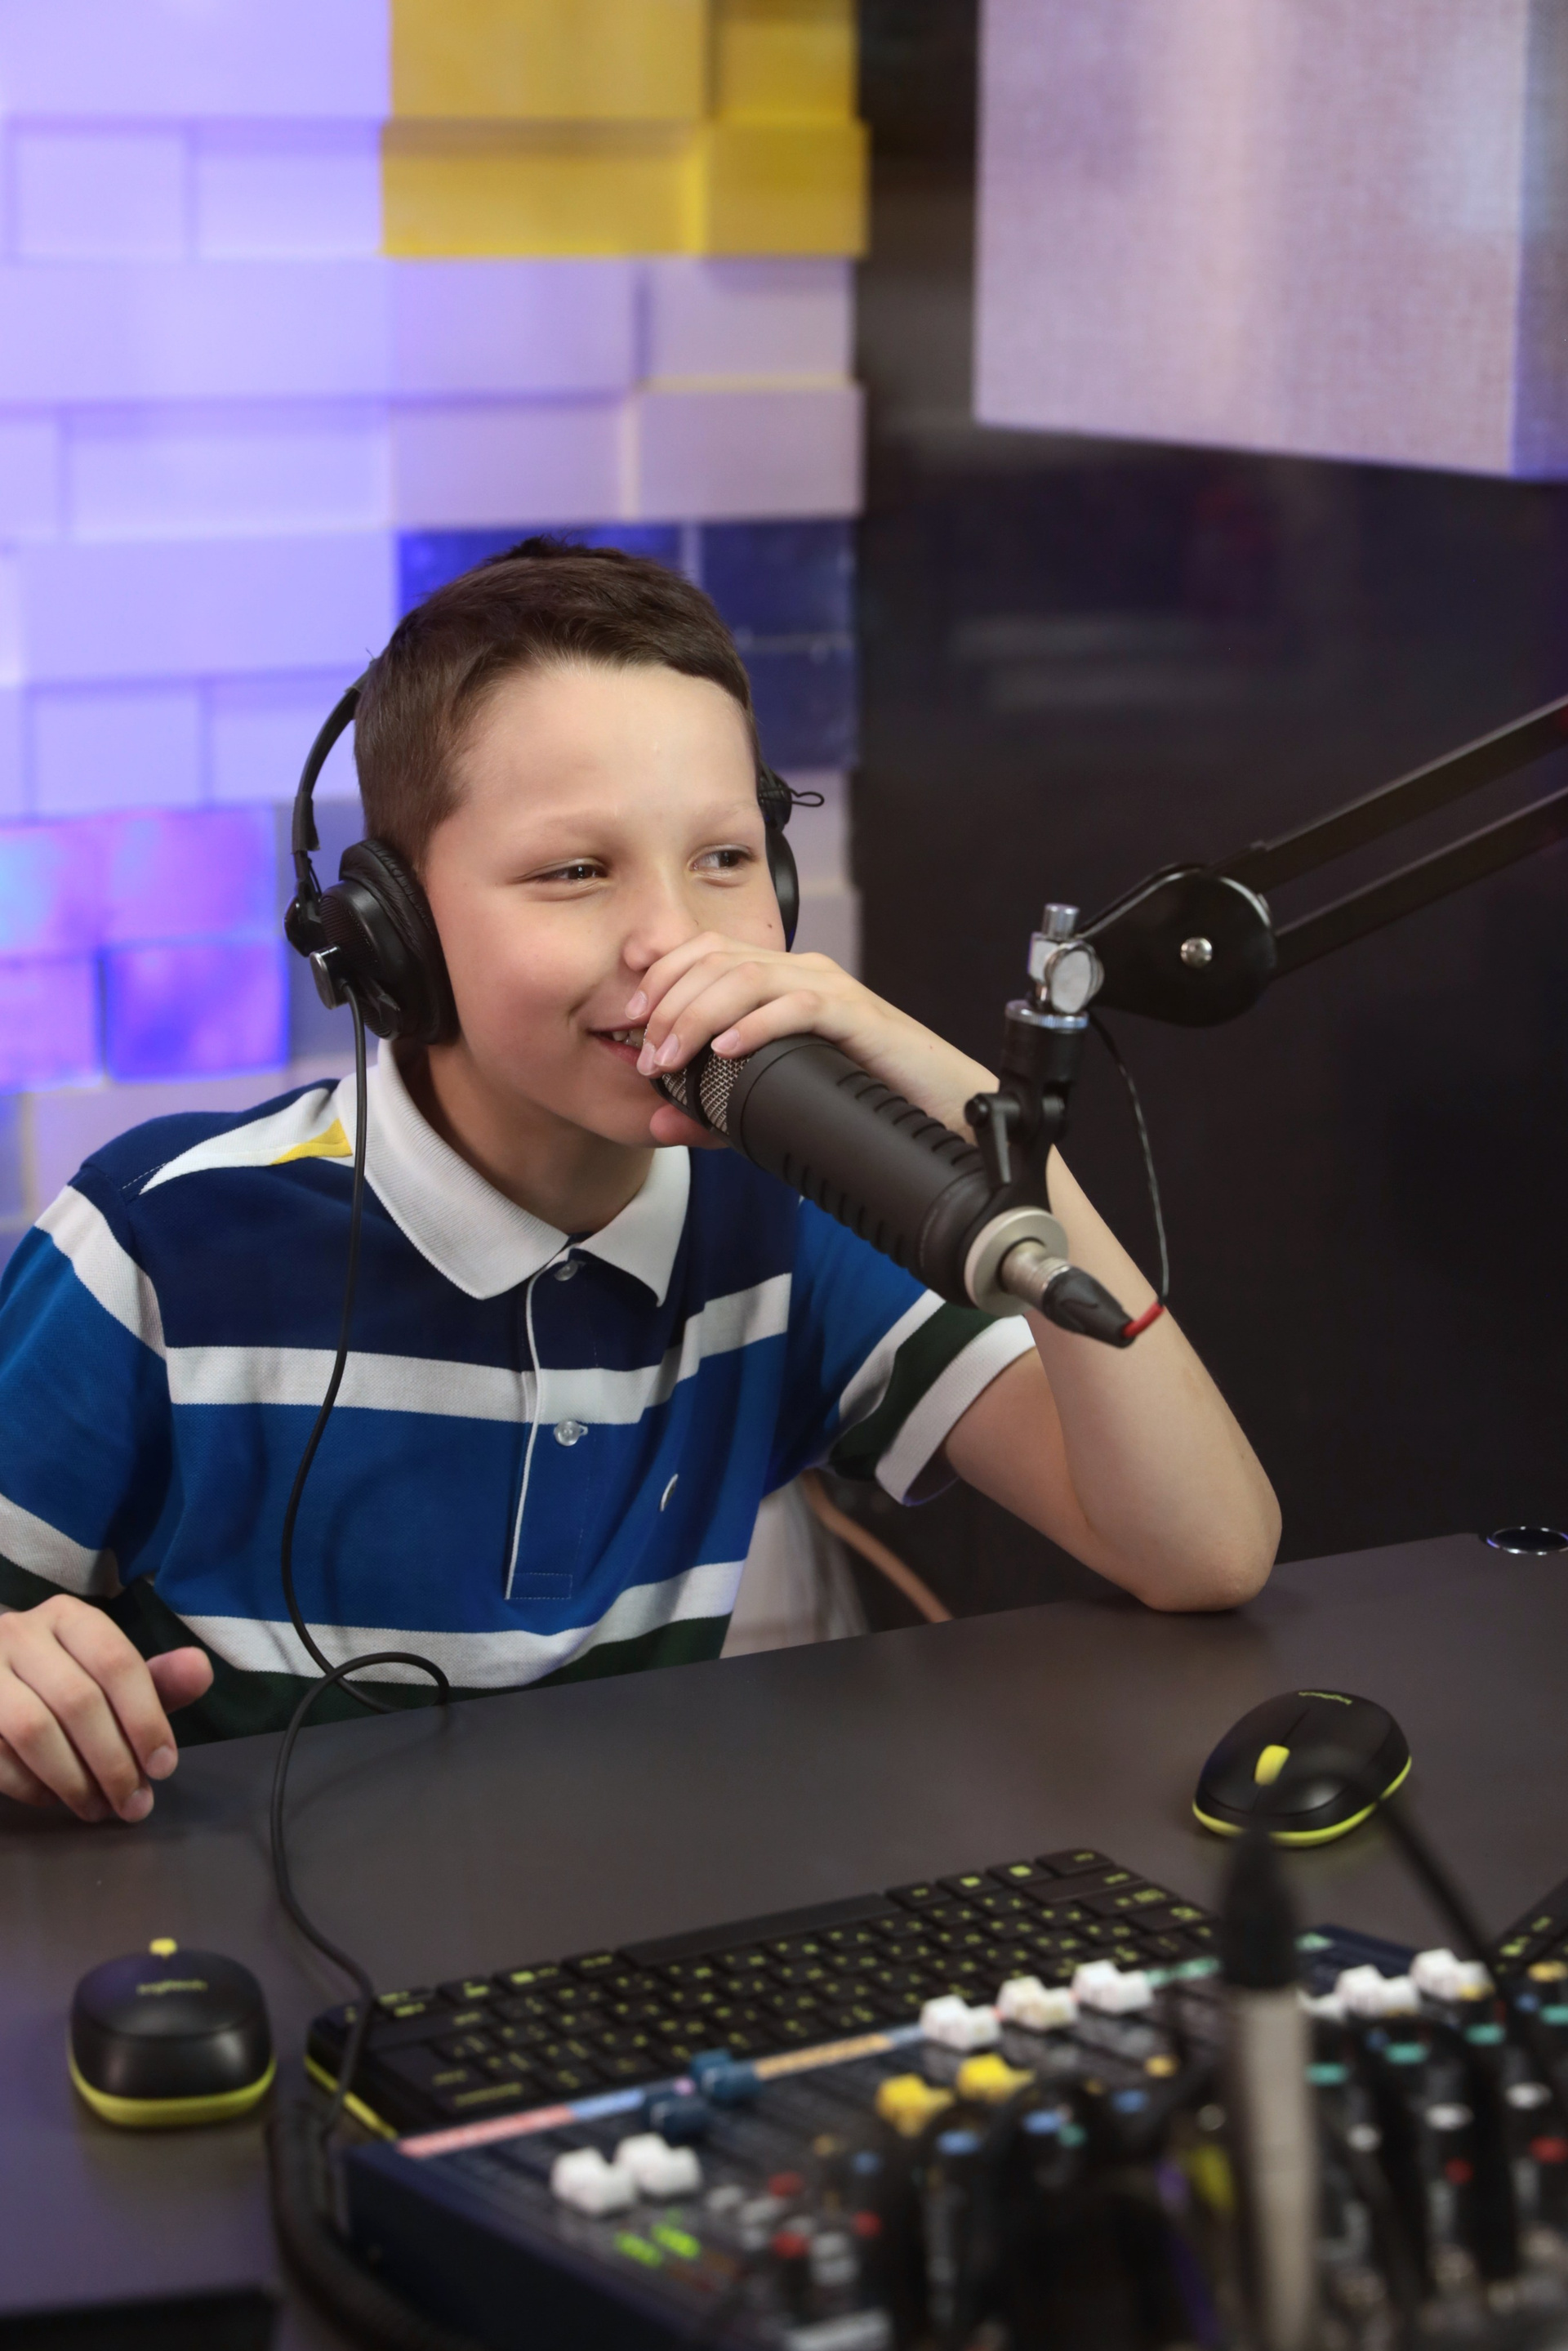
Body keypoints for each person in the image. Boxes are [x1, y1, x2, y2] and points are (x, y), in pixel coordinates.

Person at [0, 542, 1279, 1827]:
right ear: (392, 931)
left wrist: (967, 1108)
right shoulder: (159, 1240)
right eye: (575, 870)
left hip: (616, 1928)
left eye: (724, 859)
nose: (674, 941)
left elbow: (1205, 1548)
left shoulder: (796, 1216)